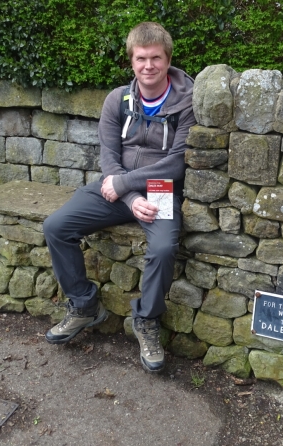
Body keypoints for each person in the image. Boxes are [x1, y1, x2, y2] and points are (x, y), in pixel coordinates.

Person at [42, 22, 196, 373]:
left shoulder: (186, 103)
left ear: (168, 58)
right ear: (131, 61)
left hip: (159, 188)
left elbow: (176, 164)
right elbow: (108, 157)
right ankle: (84, 306)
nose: (148, 66)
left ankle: (146, 321)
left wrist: (128, 185)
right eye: (141, 58)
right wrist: (127, 197)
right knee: (56, 226)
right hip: (114, 187)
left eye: (156, 57)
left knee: (162, 248)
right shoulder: (118, 99)